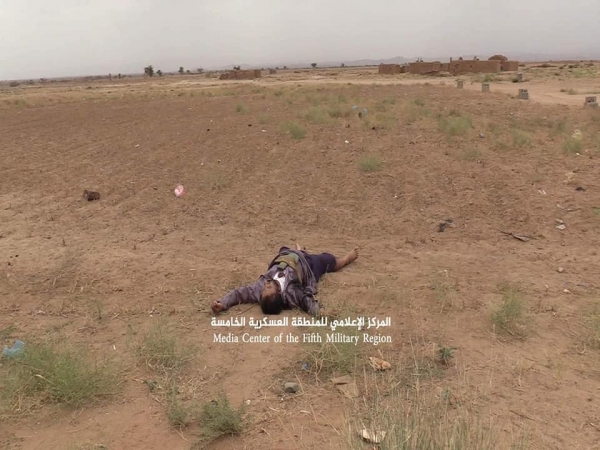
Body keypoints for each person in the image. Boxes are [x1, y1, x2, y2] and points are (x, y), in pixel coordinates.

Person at [211, 244, 358, 317]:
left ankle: (299, 250)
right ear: (279, 293)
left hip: (286, 255)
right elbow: (307, 303)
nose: (266, 284)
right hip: (308, 265)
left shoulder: (259, 289)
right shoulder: (291, 293)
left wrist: (223, 303)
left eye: (264, 288)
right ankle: (346, 259)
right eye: (268, 288)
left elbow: (239, 293)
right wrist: (322, 312)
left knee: (284, 248)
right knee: (328, 260)